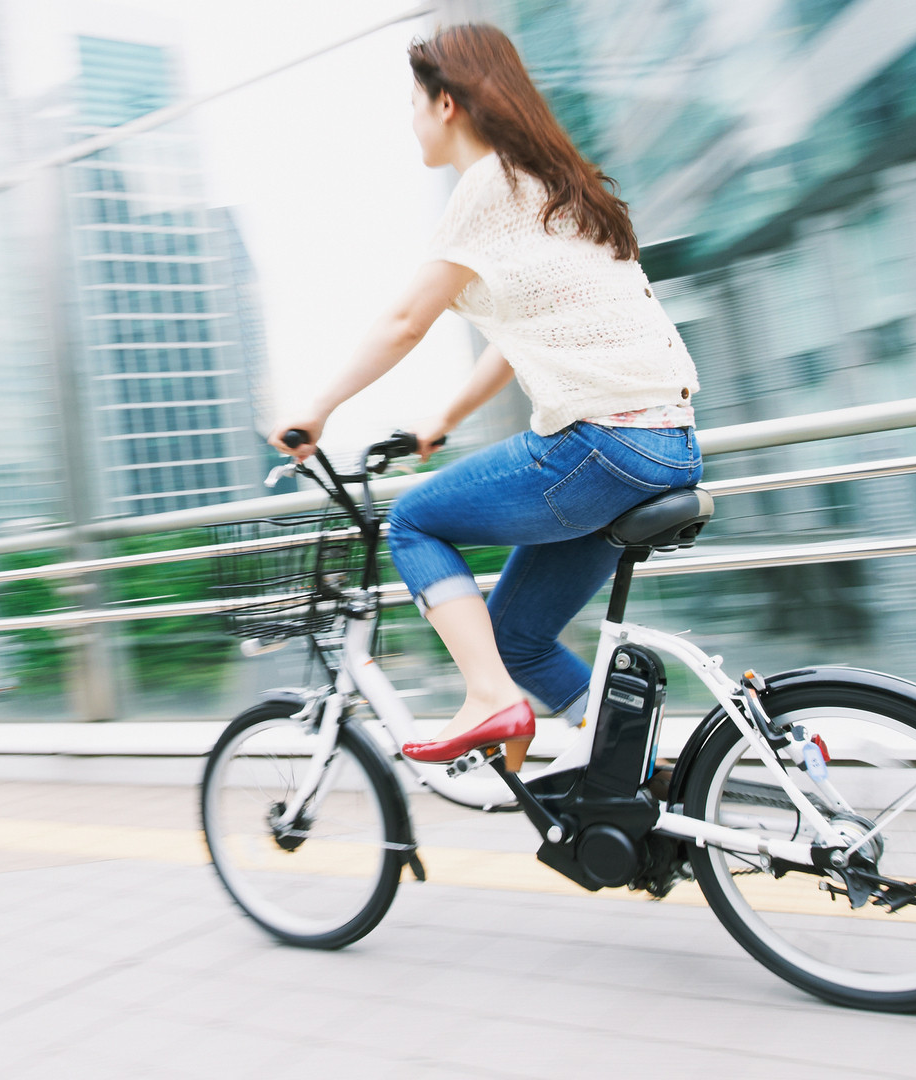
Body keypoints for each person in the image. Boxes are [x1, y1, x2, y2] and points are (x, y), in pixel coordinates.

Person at [269, 23, 702, 771]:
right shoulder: (560, 189)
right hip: (668, 446)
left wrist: (316, 409)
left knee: (411, 522)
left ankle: (487, 702)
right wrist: (444, 418)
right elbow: (522, 333)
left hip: (600, 446)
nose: (409, 120)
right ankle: (648, 782)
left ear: (445, 104)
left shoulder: (488, 184)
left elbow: (406, 321)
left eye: (412, 102)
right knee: (517, 638)